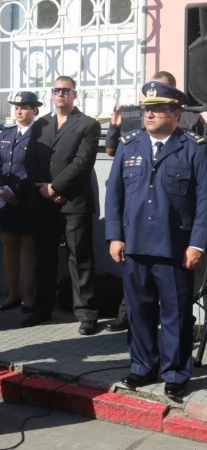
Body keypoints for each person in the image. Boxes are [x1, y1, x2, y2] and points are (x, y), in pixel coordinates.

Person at [105, 81, 207, 399]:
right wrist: (114, 237)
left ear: (175, 113)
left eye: (158, 108)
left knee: (175, 313)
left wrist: (198, 243)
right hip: (134, 245)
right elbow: (114, 196)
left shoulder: (193, 147)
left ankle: (176, 372)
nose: (149, 114)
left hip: (175, 248)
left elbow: (205, 200)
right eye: (147, 108)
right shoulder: (129, 144)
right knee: (139, 310)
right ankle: (142, 367)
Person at [24, 76, 101, 335]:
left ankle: (86, 313)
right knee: (44, 256)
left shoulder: (88, 124)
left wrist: (55, 188)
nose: (60, 95)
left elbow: (82, 162)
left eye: (65, 91)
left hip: (73, 201)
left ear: (74, 95)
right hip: (43, 202)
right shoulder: (41, 123)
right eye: (56, 90)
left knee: (79, 257)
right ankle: (42, 307)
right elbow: (30, 157)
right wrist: (43, 188)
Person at [0, 92, 40, 313]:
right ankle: (12, 294)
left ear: (35, 110)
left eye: (25, 107)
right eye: (17, 107)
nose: (19, 111)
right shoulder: (6, 134)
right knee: (9, 247)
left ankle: (29, 296)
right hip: (5, 200)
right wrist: (1, 188)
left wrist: (16, 192)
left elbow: (38, 169)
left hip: (27, 201)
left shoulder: (39, 135)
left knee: (28, 248)